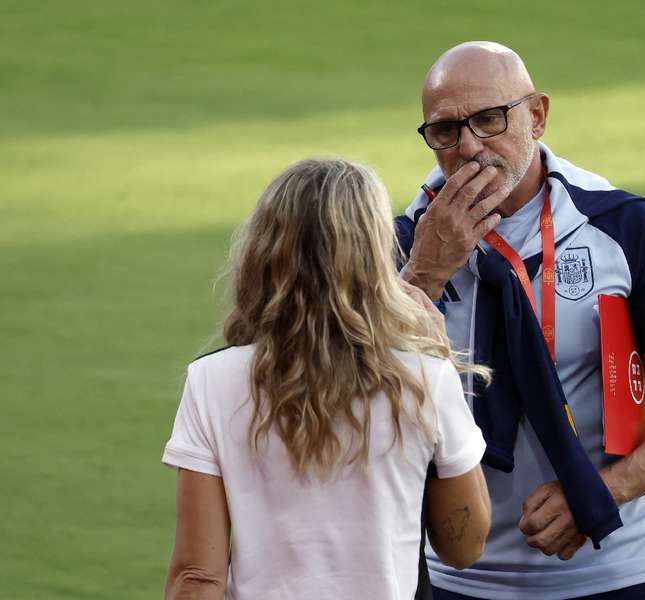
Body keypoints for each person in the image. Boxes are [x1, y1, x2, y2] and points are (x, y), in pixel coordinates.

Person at [397, 42, 645, 600]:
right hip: (454, 579)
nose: (470, 147)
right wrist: (424, 277)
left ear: (538, 115)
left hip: (620, 570)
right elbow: (348, 400)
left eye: (489, 118)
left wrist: (600, 493)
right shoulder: (396, 245)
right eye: (446, 130)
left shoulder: (626, 227)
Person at [162, 158, 493, 600]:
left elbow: (197, 578)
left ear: (262, 251)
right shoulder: (424, 377)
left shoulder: (212, 381)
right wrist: (437, 361)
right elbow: (463, 545)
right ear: (374, 255)